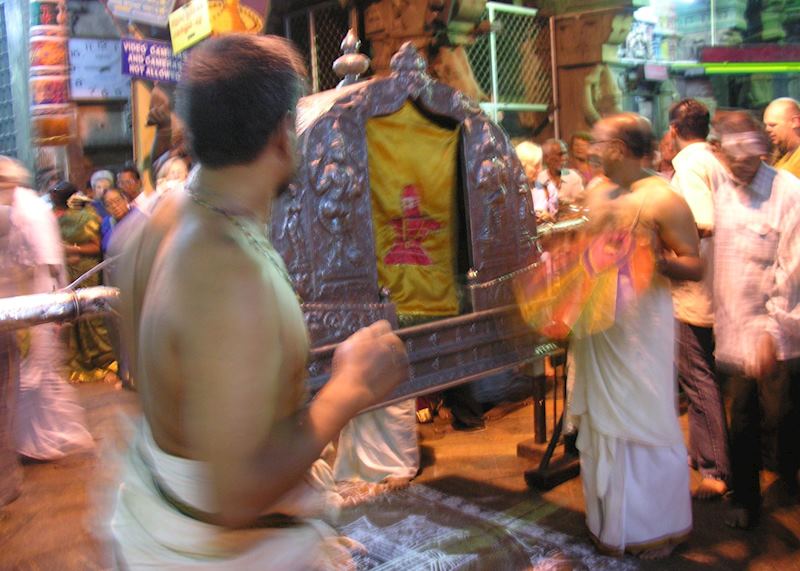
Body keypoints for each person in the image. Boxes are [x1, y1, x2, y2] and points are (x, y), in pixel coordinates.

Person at [110, 35, 408, 569]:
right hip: (221, 545)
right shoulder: (226, 272)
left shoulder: (157, 222)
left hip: (167, 514)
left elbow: (177, 397)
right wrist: (349, 389)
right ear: (281, 133)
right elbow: (235, 496)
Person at [571, 113, 702, 558]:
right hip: (598, 325)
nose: (590, 147)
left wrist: (652, 261)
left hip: (641, 327)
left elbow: (695, 263)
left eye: (599, 140)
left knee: (646, 419)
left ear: (621, 149)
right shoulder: (596, 190)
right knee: (602, 425)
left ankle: (654, 527)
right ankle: (607, 521)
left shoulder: (663, 198)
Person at [712, 110, 800, 529]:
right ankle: (747, 500)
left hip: (778, 332)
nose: (738, 163)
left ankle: (787, 479)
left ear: (762, 149)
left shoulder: (788, 193)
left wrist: (771, 327)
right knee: (741, 418)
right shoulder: (724, 191)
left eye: (746, 152)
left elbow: (792, 268)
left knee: (781, 414)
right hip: (733, 332)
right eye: (730, 153)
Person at [0, 159, 95, 460]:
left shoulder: (31, 211)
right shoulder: (13, 207)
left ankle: (42, 442)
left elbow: (47, 263)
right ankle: (32, 440)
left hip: (37, 300)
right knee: (29, 377)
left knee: (34, 375)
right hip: (21, 301)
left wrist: (56, 308)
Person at [667, 98, 731, 499]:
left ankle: (714, 469)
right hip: (719, 286)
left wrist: (662, 242)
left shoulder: (690, 164)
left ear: (673, 130)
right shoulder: (716, 158)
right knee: (705, 377)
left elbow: (702, 221)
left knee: (698, 378)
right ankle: (705, 455)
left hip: (696, 290)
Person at [50, 181, 116, 383]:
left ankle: (103, 359)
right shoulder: (54, 217)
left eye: (57, 194)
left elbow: (96, 247)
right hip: (69, 273)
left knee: (91, 315)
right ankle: (81, 361)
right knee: (74, 316)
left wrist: (73, 249)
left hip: (86, 271)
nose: (53, 197)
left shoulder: (87, 216)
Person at [534, 139, 584, 221]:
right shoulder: (539, 178)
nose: (565, 158)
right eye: (560, 154)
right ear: (547, 158)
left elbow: (581, 206)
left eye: (565, 154)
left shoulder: (573, 177)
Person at [763, 97, 800, 177]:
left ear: (796, 122)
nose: (767, 129)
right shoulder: (784, 155)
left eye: (772, 125)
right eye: (766, 125)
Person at [99, 188, 135, 254]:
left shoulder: (138, 215)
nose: (114, 206)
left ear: (125, 199)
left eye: (117, 200)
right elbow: (106, 247)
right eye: (109, 204)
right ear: (106, 209)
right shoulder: (108, 223)